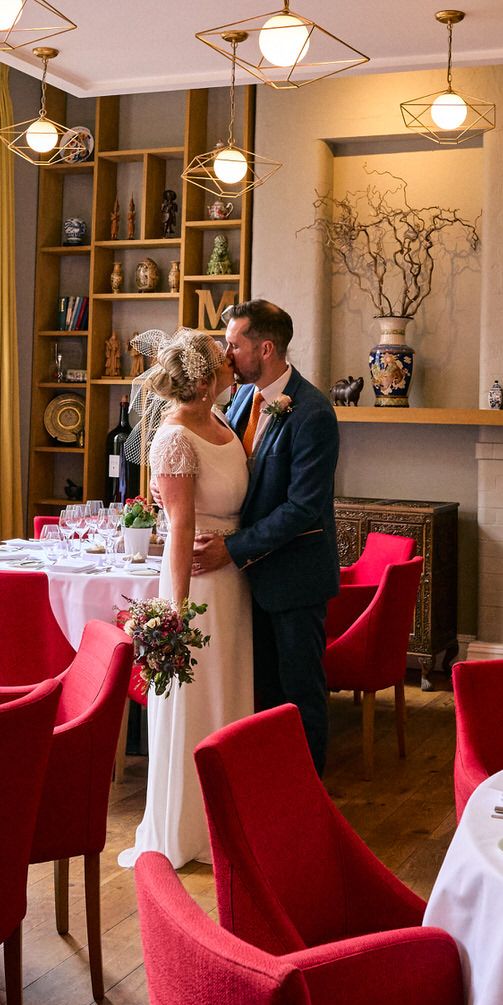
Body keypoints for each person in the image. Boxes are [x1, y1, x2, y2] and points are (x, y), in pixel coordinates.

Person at [117, 329, 254, 868]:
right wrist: (174, 611)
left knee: (228, 697)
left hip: (232, 582)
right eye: (223, 361)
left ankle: (226, 823)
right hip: (196, 586)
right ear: (202, 379)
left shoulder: (221, 422)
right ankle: (186, 828)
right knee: (195, 701)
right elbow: (177, 527)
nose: (232, 366)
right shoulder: (174, 437)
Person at [196, 300, 341, 773]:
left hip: (294, 578)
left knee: (299, 692)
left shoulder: (313, 412)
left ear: (266, 348)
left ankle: (308, 792)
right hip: (248, 578)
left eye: (233, 345)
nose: (226, 354)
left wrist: (233, 549)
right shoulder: (240, 399)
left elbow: (302, 508)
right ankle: (267, 784)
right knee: (260, 691)